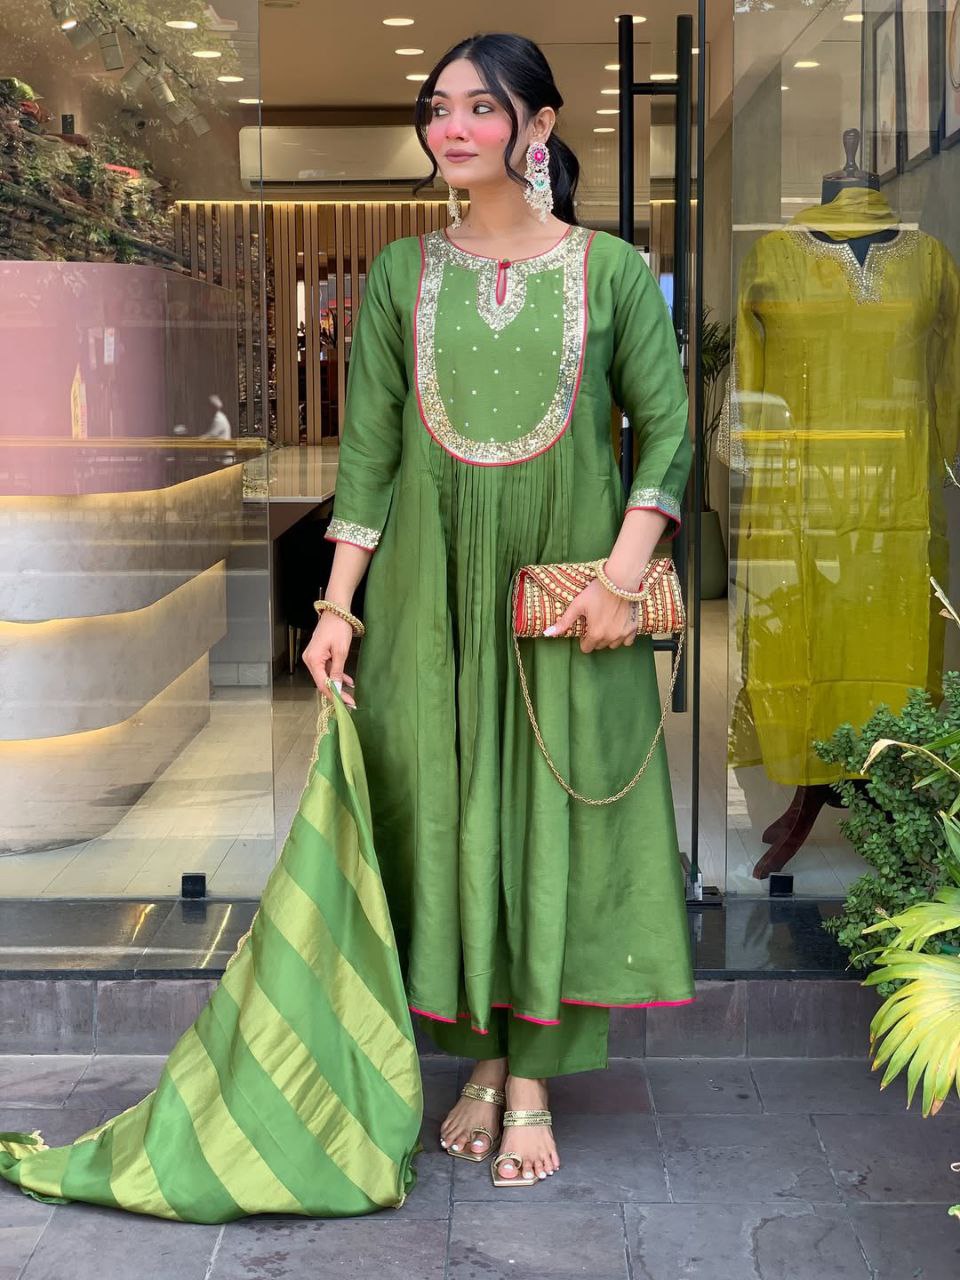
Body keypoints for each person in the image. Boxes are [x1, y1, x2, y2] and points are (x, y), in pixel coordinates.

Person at [304, 32, 695, 1189]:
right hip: (431, 598)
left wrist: (621, 579)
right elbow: (369, 452)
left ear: (539, 125)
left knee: (546, 818)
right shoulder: (399, 274)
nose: (453, 126)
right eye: (439, 107)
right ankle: (480, 1055)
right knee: (453, 809)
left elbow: (667, 432)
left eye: (480, 106)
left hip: (569, 594)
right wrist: (337, 607)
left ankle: (530, 1077)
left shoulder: (611, 271)